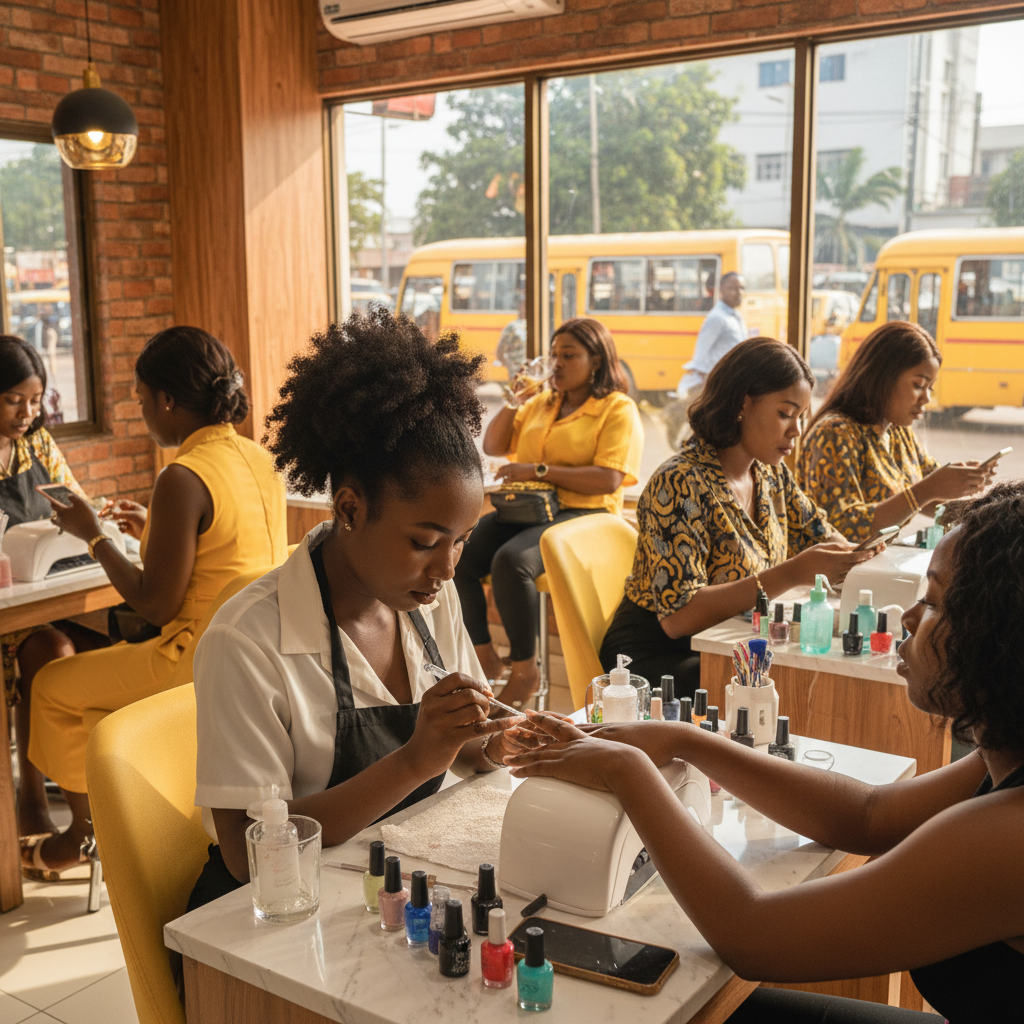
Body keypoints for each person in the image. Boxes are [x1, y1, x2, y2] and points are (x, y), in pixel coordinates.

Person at [508, 482, 1024, 1024]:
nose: (911, 619)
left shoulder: (1007, 836)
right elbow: (868, 817)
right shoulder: (1003, 758)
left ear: (1000, 636)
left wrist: (629, 771)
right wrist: (686, 740)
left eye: (936, 602)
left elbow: (754, 937)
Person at [187, 311, 525, 906]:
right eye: (423, 542)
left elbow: (460, 744)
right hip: (272, 918)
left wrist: (495, 742)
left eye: (462, 541)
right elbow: (246, 855)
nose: (448, 570)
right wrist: (415, 760)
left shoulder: (429, 599)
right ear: (348, 508)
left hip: (381, 887)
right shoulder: (247, 640)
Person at [23, 326, 288, 877]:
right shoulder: (258, 460)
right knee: (92, 706)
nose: (143, 414)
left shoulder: (182, 476)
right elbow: (226, 553)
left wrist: (93, 533)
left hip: (193, 660)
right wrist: (151, 530)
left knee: (50, 687)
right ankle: (137, 813)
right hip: (260, 655)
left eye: (143, 401)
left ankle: (81, 836)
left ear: (167, 400)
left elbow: (156, 606)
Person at [601, 338, 878, 699]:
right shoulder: (680, 482)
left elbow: (820, 537)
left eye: (801, 417)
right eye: (785, 413)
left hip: (722, 642)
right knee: (782, 686)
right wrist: (793, 572)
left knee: (808, 677)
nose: (796, 430)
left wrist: (859, 556)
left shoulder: (770, 475)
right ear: (743, 404)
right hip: (656, 658)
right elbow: (678, 619)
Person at [454, 317, 643, 707]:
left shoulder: (616, 409)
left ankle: (526, 670)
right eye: (553, 354)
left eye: (568, 355)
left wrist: (537, 470)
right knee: (457, 553)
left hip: (585, 517)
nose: (556, 363)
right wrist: (514, 399)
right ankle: (485, 653)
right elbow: (492, 445)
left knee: (511, 561)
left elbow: (609, 479)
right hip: (528, 511)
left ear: (596, 361)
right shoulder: (541, 403)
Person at [0, 335, 107, 840]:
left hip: (46, 593)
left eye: (35, 400)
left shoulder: (37, 442)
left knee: (102, 643)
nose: (27, 412)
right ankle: (32, 800)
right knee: (52, 650)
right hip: (11, 610)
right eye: (13, 400)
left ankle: (89, 815)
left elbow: (73, 503)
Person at [798, 320, 993, 542]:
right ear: (882, 377)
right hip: (834, 574)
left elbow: (931, 503)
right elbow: (845, 530)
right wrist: (928, 489)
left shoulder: (898, 431)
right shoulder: (834, 433)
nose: (927, 397)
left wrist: (967, 489)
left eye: (930, 387)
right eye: (918, 385)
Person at [663, 272, 747, 449]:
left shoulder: (735, 317)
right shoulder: (717, 318)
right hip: (714, 385)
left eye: (741, 289)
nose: (738, 293)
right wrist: (711, 385)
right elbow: (700, 357)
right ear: (721, 291)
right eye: (733, 288)